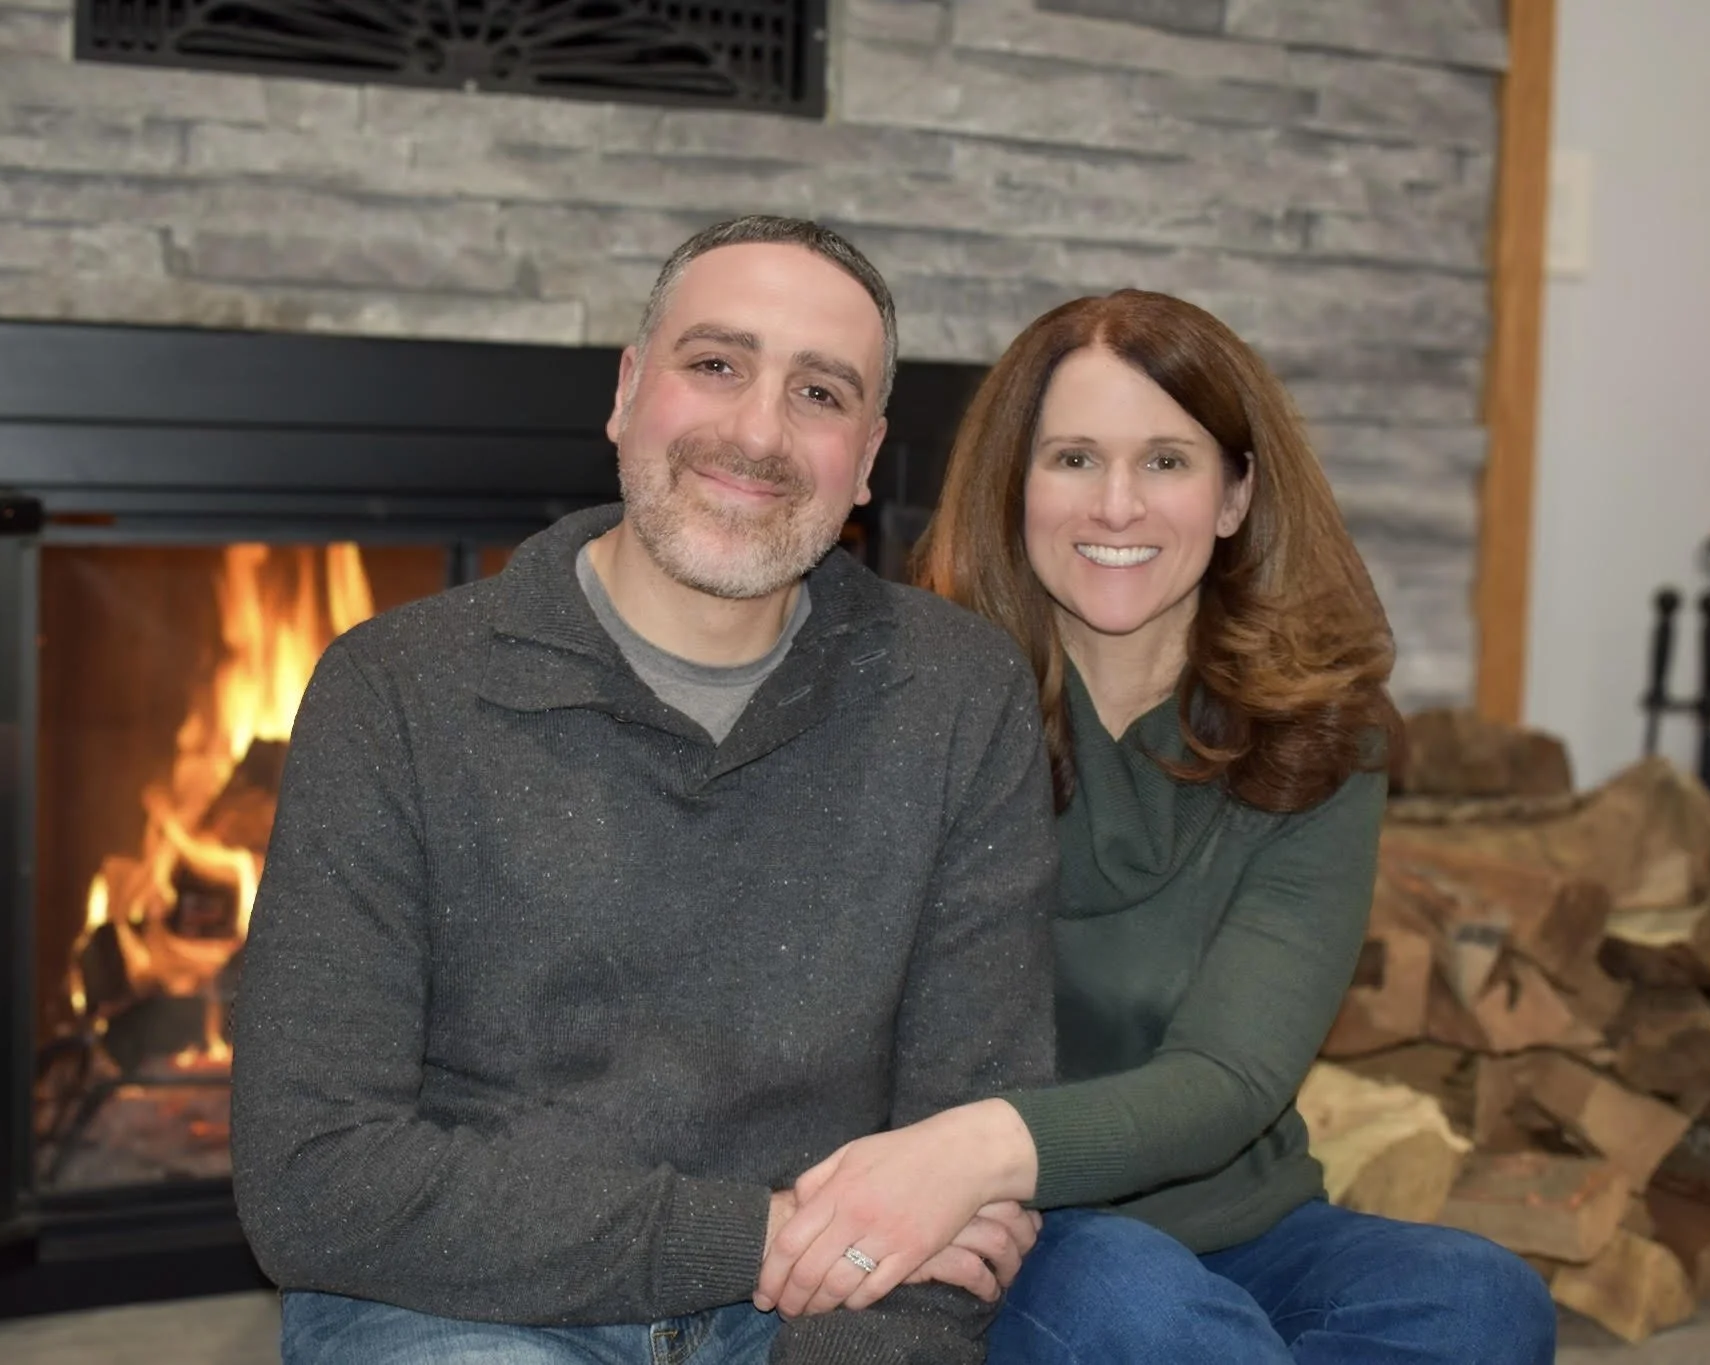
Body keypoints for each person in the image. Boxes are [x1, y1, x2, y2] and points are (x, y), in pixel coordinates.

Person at [229, 215, 1061, 1365]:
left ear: (866, 461)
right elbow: (311, 1179)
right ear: (627, 393)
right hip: (461, 1301)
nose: (757, 432)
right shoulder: (394, 689)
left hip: (823, 1311)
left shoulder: (959, 694)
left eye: (819, 394)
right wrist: (756, 1235)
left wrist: (843, 1335)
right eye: (714, 365)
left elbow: (965, 1157)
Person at [754, 289, 1558, 1363]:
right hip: (1022, 1241)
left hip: (1245, 1226)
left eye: (1166, 462)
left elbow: (1229, 1080)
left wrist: (973, 1150)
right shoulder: (917, 704)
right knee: (1140, 1308)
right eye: (1073, 459)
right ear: (1014, 491)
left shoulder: (1318, 739)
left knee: (1478, 1300)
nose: (1116, 506)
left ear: (1233, 496)